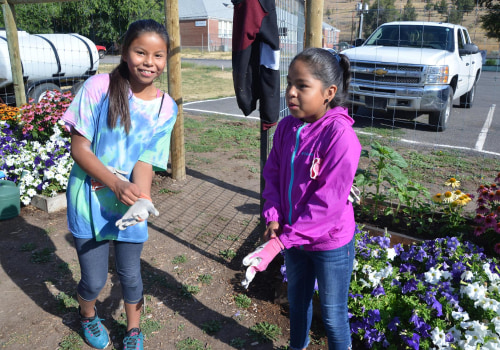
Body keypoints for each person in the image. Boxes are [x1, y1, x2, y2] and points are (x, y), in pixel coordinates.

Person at [61, 19, 177, 350]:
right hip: (89, 201)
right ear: (126, 52)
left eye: (158, 55)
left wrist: (142, 199)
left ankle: (134, 329)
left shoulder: (165, 107)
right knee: (94, 279)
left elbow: (146, 160)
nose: (149, 62)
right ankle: (86, 314)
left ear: (166, 59)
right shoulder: (98, 88)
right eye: (141, 52)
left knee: (130, 274)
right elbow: (79, 148)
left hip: (129, 200)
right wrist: (113, 183)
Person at [242, 47, 361, 350]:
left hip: (330, 243)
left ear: (329, 92)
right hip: (293, 239)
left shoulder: (340, 137)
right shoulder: (285, 129)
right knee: (297, 304)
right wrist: (272, 218)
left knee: (333, 317)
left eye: (302, 86)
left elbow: (327, 206)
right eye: (289, 84)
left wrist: (280, 243)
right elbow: (272, 177)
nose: (291, 93)